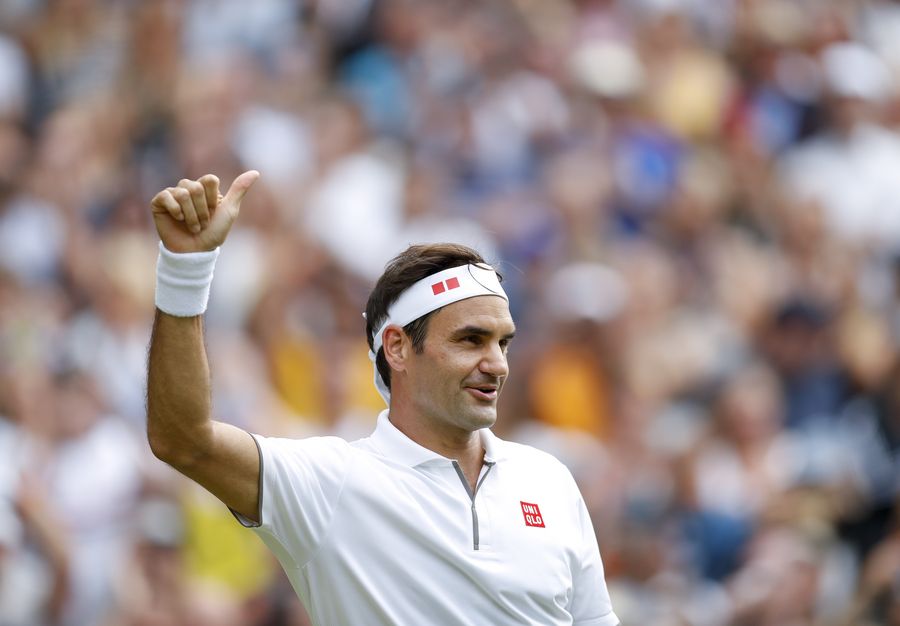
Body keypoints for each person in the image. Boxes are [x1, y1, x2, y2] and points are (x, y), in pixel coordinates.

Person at [146, 171, 620, 625]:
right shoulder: (330, 483)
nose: (497, 364)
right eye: (471, 340)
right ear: (397, 347)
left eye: (503, 342)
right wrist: (186, 271)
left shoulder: (551, 480)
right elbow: (183, 440)